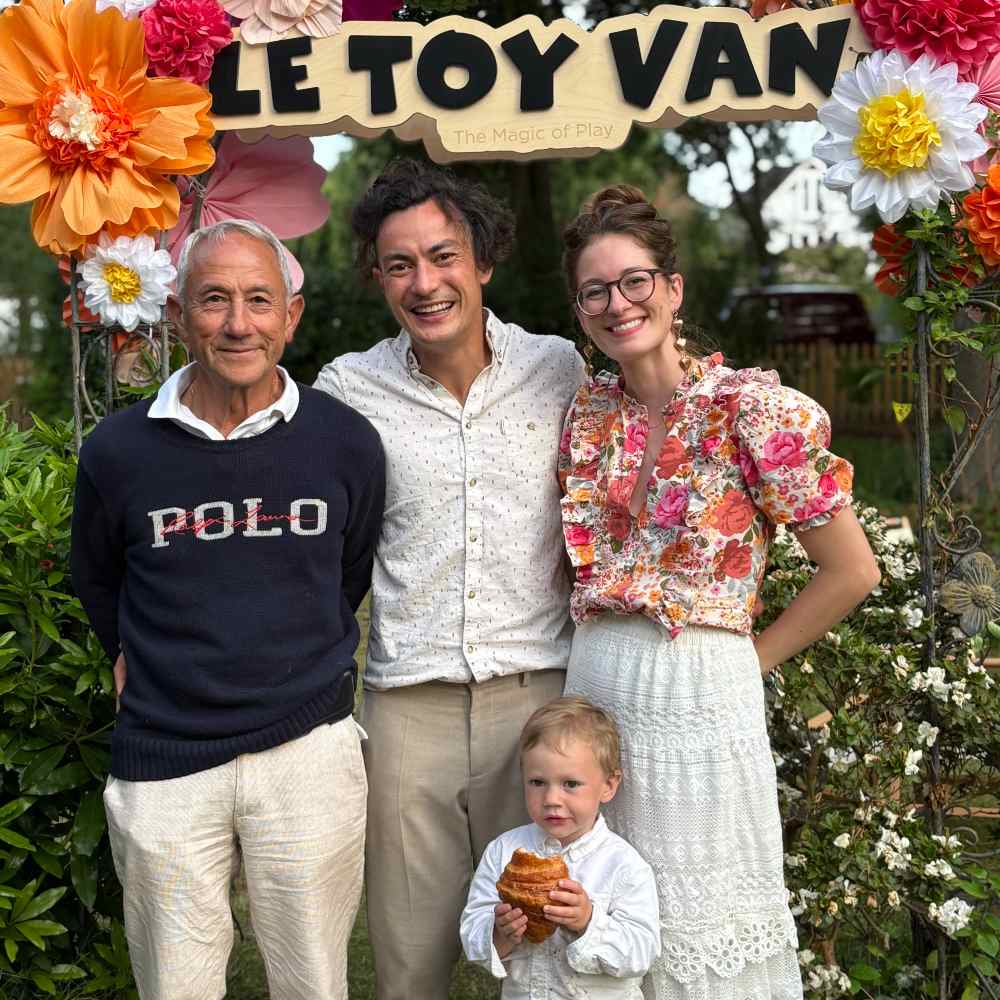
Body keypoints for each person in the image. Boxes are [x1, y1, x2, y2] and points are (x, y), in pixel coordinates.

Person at [557, 187, 880, 1000]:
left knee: (700, 923)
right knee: (601, 905)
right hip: (593, 689)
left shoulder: (751, 411)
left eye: (633, 282)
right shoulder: (587, 412)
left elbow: (852, 570)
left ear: (673, 288)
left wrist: (748, 664)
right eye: (594, 291)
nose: (616, 304)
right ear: (579, 309)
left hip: (703, 693)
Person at [70, 219, 385, 1000]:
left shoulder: (344, 443)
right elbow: (98, 580)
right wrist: (138, 660)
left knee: (313, 982)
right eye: (214, 300)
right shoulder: (117, 451)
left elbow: (344, 575)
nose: (238, 323)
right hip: (165, 762)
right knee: (175, 987)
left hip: (307, 750)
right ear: (177, 315)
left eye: (258, 300)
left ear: (292, 315)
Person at [313, 158, 586, 1000]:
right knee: (410, 959)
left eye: (443, 256)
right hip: (406, 712)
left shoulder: (561, 369)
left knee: (545, 948)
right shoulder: (345, 392)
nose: (424, 283)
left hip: (538, 704)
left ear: (484, 261)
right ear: (379, 278)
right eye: (400, 264)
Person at [460, 696, 661, 999]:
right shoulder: (504, 851)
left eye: (570, 784)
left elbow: (642, 952)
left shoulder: (623, 865)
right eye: (538, 782)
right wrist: (499, 934)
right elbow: (473, 929)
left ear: (608, 785)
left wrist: (588, 922)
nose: (552, 798)